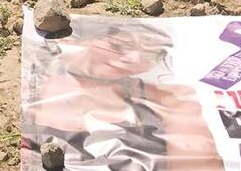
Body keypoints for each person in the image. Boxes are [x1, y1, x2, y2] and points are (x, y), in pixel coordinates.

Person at [22, 20, 222, 170]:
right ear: (83, 40)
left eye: (150, 55)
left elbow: (200, 162)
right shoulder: (32, 85)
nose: (133, 59)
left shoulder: (166, 100)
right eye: (118, 46)